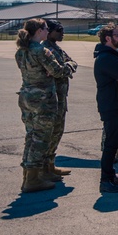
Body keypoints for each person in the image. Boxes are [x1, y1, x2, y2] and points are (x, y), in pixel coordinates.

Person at [15, 18, 71, 193]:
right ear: (39, 31)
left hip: (26, 96)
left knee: (31, 136)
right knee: (41, 138)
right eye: (45, 28)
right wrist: (68, 66)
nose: (47, 31)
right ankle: (32, 180)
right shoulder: (42, 51)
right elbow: (58, 71)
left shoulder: (21, 51)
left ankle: (30, 175)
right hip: (43, 99)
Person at [94, 24, 118, 193]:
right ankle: (105, 180)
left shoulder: (112, 55)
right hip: (112, 105)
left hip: (117, 103)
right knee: (111, 144)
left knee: (115, 143)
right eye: (117, 35)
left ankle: (110, 176)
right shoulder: (107, 58)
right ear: (107, 39)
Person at [41, 19, 77, 180]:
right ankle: (43, 169)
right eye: (59, 30)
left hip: (61, 97)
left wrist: (67, 67)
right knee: (50, 132)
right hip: (51, 97)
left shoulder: (56, 48)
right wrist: (66, 68)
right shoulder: (45, 49)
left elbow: (72, 62)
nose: (62, 33)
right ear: (49, 32)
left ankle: (50, 165)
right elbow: (58, 71)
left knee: (58, 131)